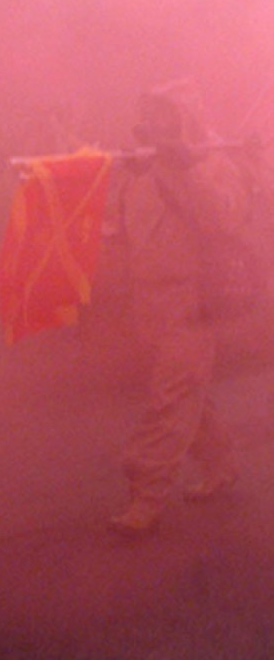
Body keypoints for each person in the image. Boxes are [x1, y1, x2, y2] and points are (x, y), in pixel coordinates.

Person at [108, 80, 243, 536]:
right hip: (148, 301)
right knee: (187, 392)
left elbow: (223, 220)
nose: (157, 125)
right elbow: (123, 229)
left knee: (171, 397)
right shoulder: (139, 167)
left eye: (168, 116)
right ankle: (221, 464)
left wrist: (189, 169)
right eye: (152, 114)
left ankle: (146, 495)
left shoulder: (212, 163)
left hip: (191, 300)